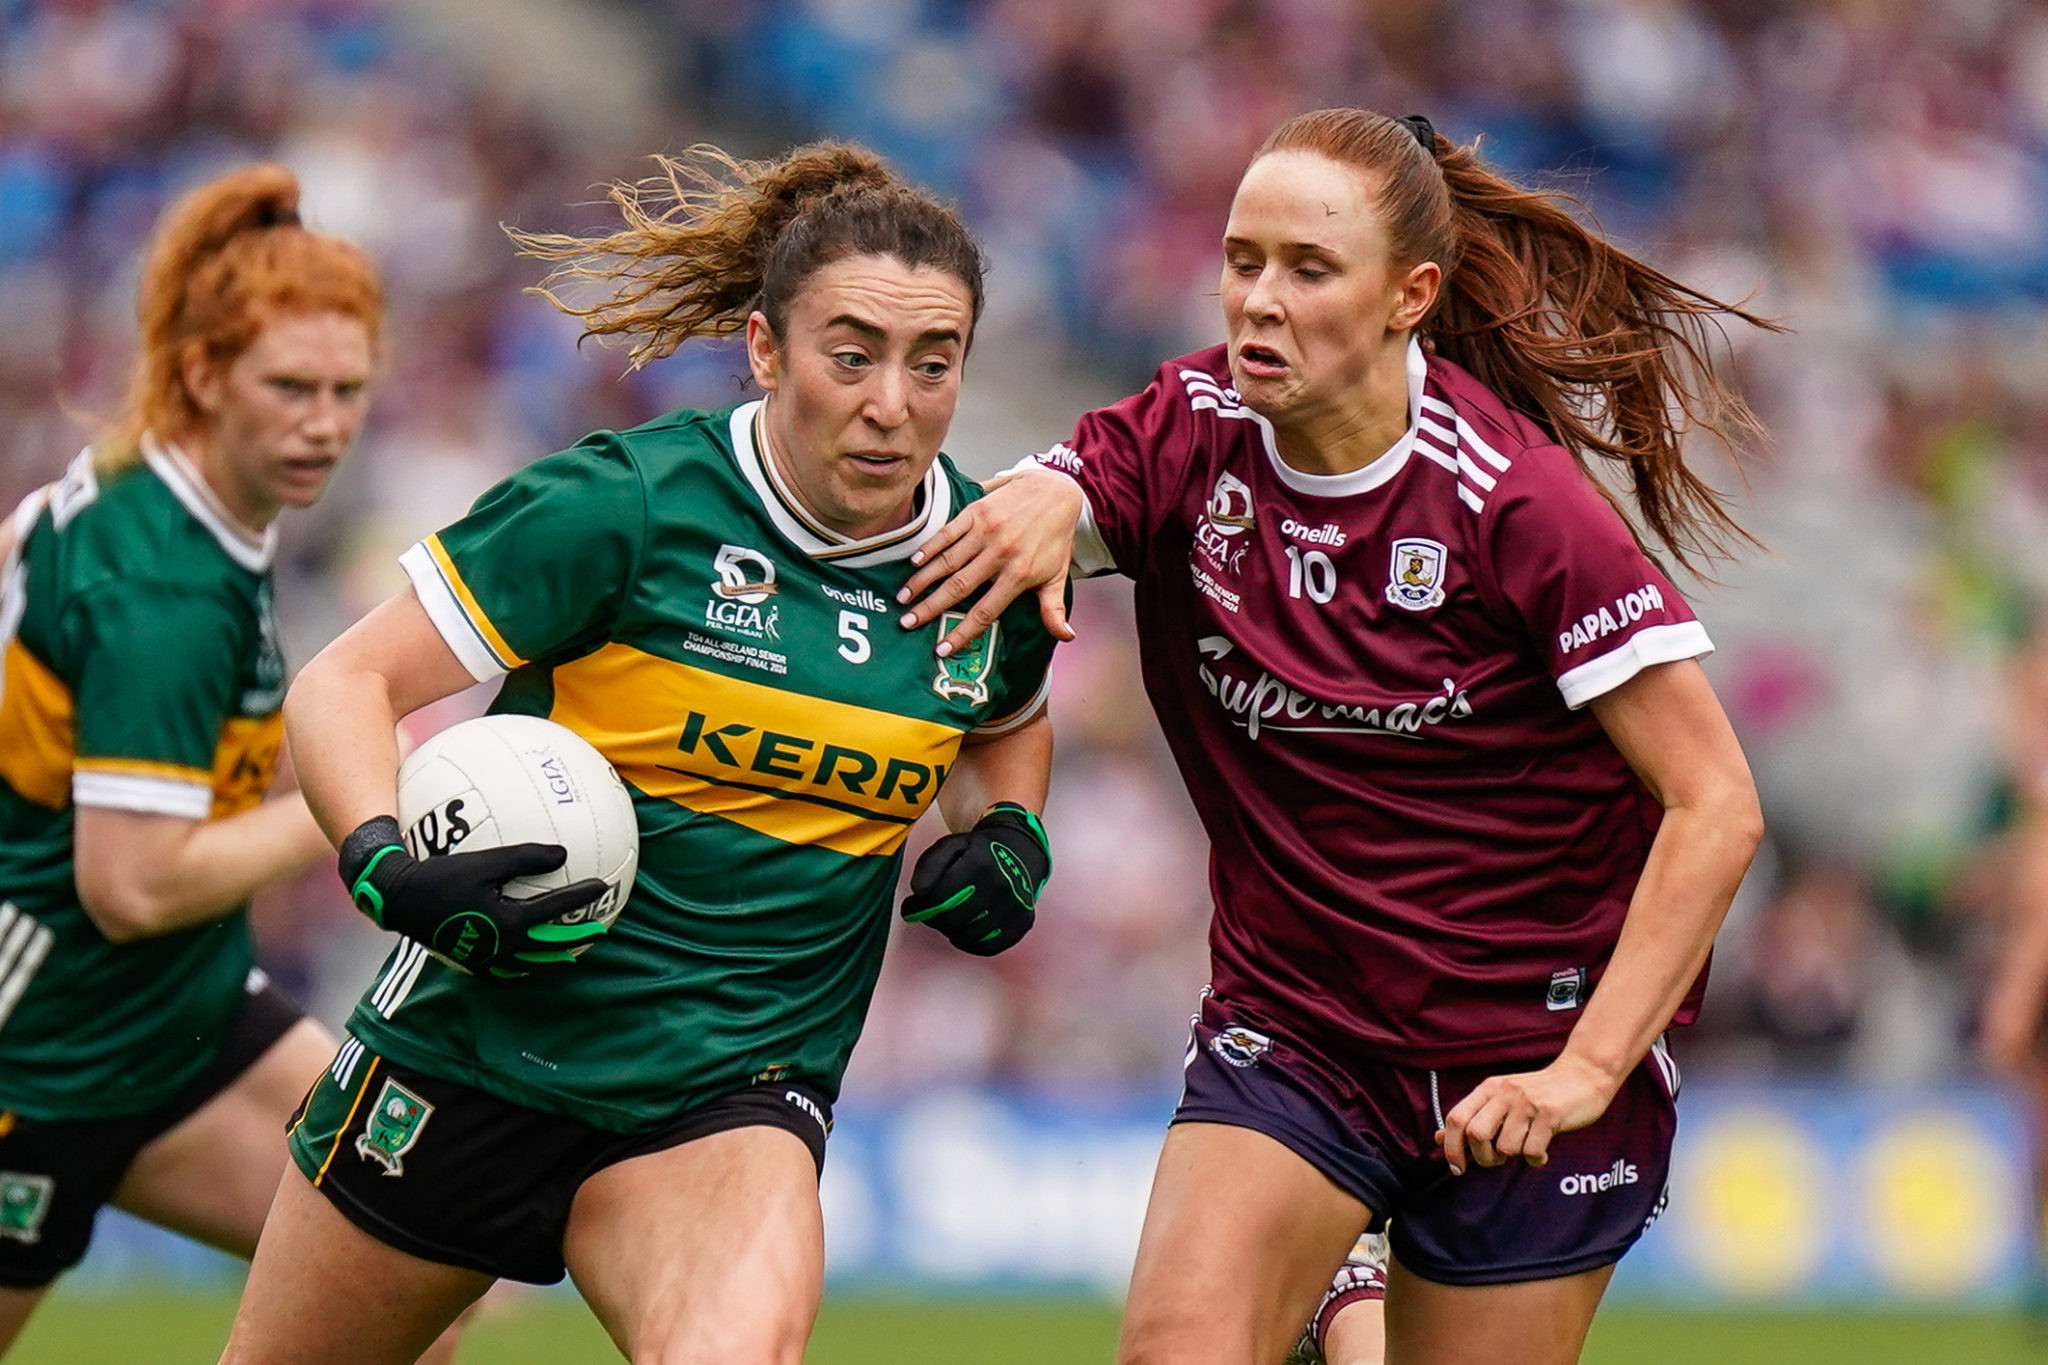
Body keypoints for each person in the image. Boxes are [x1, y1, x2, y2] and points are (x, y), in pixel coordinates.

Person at [899, 108, 1768, 1364]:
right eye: (1241, 259)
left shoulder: (1515, 503)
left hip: (1524, 1060)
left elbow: (1716, 804)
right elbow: (1049, 506)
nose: (1258, 299)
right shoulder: (1190, 426)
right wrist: (1034, 503)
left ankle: (1345, 1310)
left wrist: (1581, 1075)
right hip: (1296, 1031)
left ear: (1407, 295)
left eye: (1307, 270)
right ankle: (1337, 1293)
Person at [216, 141, 1060, 1365]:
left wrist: (1008, 833)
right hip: (473, 1054)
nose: (892, 402)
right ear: (767, 350)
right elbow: (346, 683)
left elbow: (1003, 718)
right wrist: (381, 862)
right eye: (852, 355)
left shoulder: (984, 561)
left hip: (730, 1096)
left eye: (934, 365)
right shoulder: (627, 504)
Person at [0, 165, 455, 1358]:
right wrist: (355, 792)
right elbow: (132, 885)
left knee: (397, 1297)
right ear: (202, 374)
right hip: (40, 1049)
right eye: (290, 388)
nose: (324, 423)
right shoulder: (163, 588)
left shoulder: (153, 490)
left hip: (175, 1014)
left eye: (347, 390)